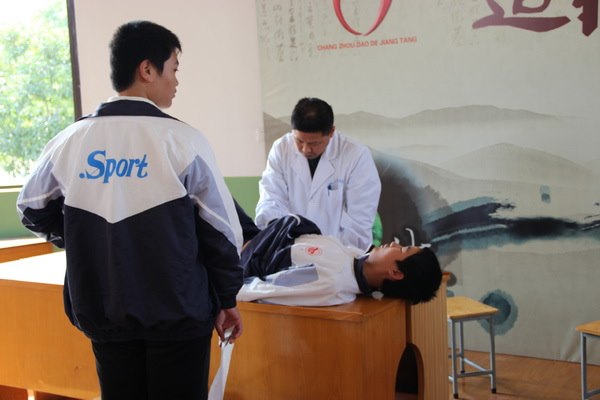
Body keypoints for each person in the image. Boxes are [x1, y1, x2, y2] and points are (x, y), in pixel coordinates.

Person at [16, 21, 243, 400]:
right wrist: (227, 299)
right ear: (147, 69)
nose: (176, 81)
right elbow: (223, 233)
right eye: (173, 69)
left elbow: (31, 208)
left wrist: (84, 239)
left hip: (103, 311)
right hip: (178, 313)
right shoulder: (183, 141)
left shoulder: (70, 141)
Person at [255, 97, 381, 251]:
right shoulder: (281, 149)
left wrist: (337, 256)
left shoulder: (356, 155)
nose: (306, 149)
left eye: (314, 143)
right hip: (290, 250)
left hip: (340, 252)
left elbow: (359, 220)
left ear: (331, 132)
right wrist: (278, 236)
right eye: (299, 141)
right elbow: (271, 200)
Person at [237, 215, 442, 307]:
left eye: (402, 249)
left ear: (395, 273)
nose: (395, 244)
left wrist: (228, 282)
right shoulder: (356, 258)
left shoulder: (333, 281)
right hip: (259, 236)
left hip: (241, 253)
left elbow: (266, 288)